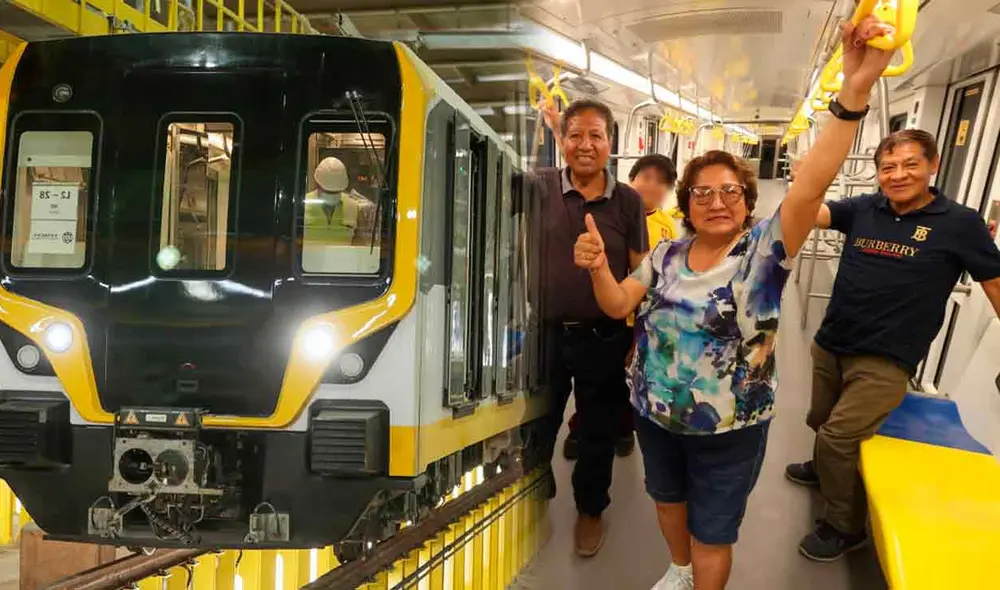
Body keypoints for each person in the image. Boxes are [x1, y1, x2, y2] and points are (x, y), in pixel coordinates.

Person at [573, 17, 895, 590]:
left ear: (748, 203)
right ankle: (678, 572)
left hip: (728, 425)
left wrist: (855, 92)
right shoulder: (667, 254)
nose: (716, 202)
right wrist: (599, 267)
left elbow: (810, 186)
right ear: (688, 204)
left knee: (713, 531)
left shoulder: (765, 252)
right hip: (655, 414)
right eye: (702, 193)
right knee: (666, 501)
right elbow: (618, 301)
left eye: (730, 192)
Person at [785, 128, 1000, 561]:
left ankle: (844, 527)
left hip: (887, 355)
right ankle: (823, 471)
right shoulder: (863, 209)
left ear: (933, 165)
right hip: (834, 340)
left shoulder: (960, 224)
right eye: (888, 167)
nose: (898, 175)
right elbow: (809, 212)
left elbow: (993, 282)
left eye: (910, 164)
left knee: (839, 437)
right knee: (820, 418)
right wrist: (808, 175)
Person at [533, 98, 649, 557]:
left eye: (595, 135)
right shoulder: (537, 187)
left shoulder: (627, 201)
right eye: (575, 135)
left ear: (610, 144)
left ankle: (590, 508)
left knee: (597, 430)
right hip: (543, 332)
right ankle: (532, 498)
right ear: (562, 141)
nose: (585, 145)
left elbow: (640, 269)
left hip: (604, 334)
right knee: (537, 424)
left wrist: (637, 334)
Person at [563, 154, 682, 461]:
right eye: (646, 177)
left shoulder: (667, 226)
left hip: (641, 316)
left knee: (629, 379)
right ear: (632, 179)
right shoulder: (607, 213)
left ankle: (623, 428)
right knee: (595, 381)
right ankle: (580, 427)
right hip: (603, 310)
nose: (652, 186)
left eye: (661, 182)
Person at [303, 156, 356, 245]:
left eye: (336, 192)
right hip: (310, 258)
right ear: (318, 184)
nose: (332, 196)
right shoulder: (304, 204)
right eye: (327, 191)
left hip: (344, 258)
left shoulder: (353, 206)